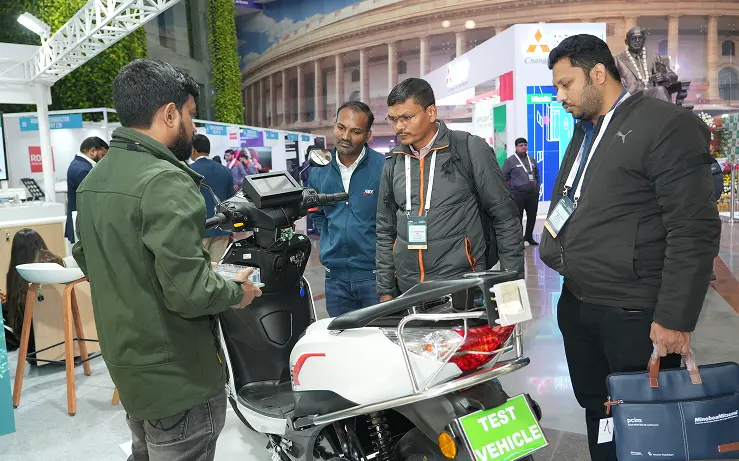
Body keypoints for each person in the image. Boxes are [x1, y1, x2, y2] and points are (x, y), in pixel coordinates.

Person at [540, 35, 720, 461]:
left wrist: (674, 318)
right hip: (579, 301)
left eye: (566, 84)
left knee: (645, 418)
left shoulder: (665, 125)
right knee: (599, 408)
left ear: (598, 74)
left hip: (633, 312)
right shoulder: (586, 129)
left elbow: (693, 228)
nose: (559, 95)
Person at [72, 59, 263, 461]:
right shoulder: (165, 179)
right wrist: (236, 291)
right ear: (170, 113)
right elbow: (190, 294)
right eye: (190, 115)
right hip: (179, 375)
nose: (192, 127)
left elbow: (93, 258)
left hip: (131, 368)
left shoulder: (94, 181)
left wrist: (187, 271)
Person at [376, 78, 524, 300]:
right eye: (393, 119)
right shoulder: (394, 161)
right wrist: (386, 291)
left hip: (462, 290)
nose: (398, 127)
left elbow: (506, 219)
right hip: (409, 292)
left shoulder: (469, 148)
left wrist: (511, 291)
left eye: (406, 117)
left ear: (431, 112)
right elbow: (385, 230)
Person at [308, 102, 384, 316]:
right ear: (334, 125)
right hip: (335, 279)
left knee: (378, 335)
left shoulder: (384, 167)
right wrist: (332, 238)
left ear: (368, 135)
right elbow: (318, 214)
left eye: (355, 131)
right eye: (341, 127)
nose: (345, 136)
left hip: (375, 276)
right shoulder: (319, 170)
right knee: (340, 336)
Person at [4, 229, 64, 353]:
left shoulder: (17, 275)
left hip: (35, 352)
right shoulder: (57, 263)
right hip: (69, 344)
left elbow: (18, 316)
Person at [189, 134, 235, 262]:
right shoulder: (226, 171)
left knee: (200, 267)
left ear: (193, 149)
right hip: (223, 228)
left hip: (200, 229)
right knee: (217, 267)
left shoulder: (189, 171)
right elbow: (231, 200)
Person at [614, 26, 678, 102]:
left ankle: (667, 110)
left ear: (644, 40)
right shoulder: (617, 60)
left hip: (652, 95)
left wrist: (664, 77)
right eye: (633, 38)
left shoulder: (654, 57)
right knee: (660, 91)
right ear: (626, 42)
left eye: (640, 38)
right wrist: (617, 81)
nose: (637, 41)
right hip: (631, 98)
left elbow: (673, 76)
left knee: (660, 91)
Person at [65, 136, 108, 243]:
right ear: (92, 151)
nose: (104, 159)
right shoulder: (82, 170)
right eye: (103, 155)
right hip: (82, 225)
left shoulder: (79, 165)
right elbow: (94, 198)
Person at [502, 137, 540, 246]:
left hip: (532, 194)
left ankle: (529, 236)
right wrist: (509, 192)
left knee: (532, 216)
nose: (523, 147)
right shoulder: (510, 161)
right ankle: (519, 240)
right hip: (518, 194)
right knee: (518, 217)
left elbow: (537, 174)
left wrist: (537, 186)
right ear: (516, 147)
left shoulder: (531, 159)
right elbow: (503, 177)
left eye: (525, 145)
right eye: (521, 145)